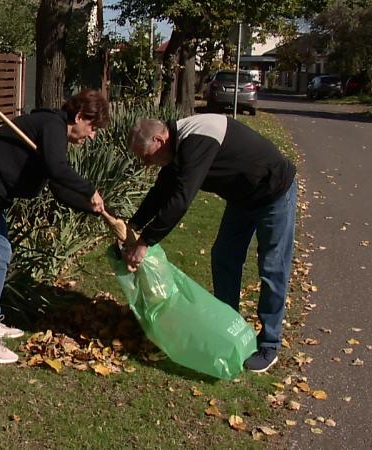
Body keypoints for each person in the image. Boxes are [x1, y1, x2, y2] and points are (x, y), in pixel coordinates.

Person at [123, 114, 297, 373]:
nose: (146, 163)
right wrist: (133, 225)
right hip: (242, 197)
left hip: (273, 191)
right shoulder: (177, 146)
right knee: (224, 257)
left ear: (160, 139)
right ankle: (229, 326)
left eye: (146, 156)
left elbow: (181, 198)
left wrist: (146, 242)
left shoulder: (196, 140)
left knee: (272, 267)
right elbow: (162, 190)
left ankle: (269, 344)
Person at [0, 89, 109, 364]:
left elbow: (58, 188)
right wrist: (90, 189)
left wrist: (92, 207)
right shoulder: (52, 125)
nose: (92, 135)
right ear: (80, 116)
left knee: (2, 252)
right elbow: (58, 169)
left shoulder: (52, 134)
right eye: (92, 128)